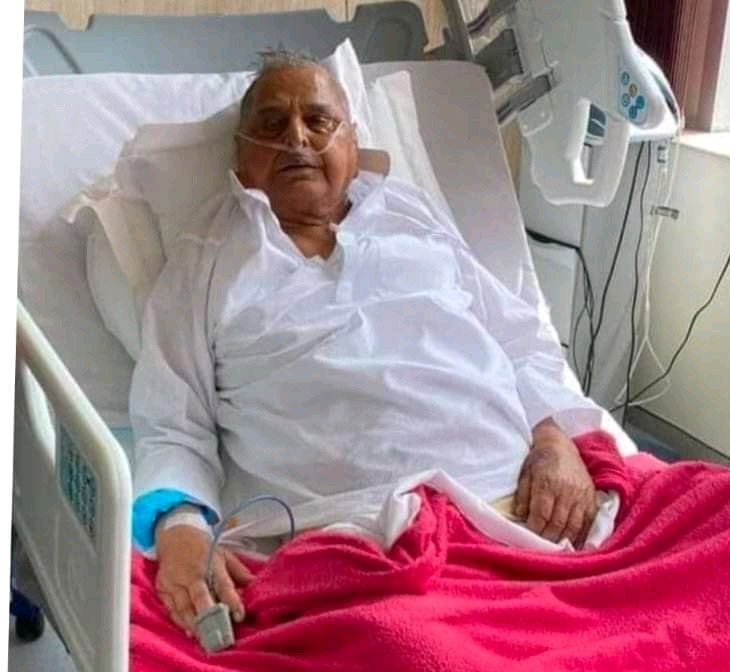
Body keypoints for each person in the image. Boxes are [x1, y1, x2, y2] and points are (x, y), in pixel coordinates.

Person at [130, 50, 622, 637]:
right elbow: (172, 422)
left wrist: (556, 440)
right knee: (432, 661)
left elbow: (519, 337)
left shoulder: (411, 215)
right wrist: (181, 529)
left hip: (529, 506)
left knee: (721, 524)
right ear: (240, 155)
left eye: (318, 121)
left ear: (352, 141)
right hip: (359, 548)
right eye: (271, 124)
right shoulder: (206, 257)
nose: (296, 138)